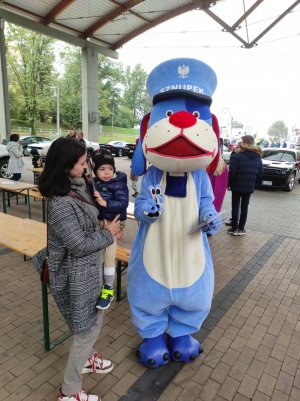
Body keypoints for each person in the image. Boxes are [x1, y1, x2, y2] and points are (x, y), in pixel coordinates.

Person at [37, 137, 121, 401]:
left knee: (94, 321)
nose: (88, 167)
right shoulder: (61, 203)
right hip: (75, 275)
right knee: (86, 331)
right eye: (83, 163)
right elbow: (78, 245)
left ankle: (88, 359)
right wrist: (109, 234)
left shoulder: (80, 184)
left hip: (89, 270)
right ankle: (69, 391)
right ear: (65, 166)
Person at [92, 150, 129, 309]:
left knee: (109, 253)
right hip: (98, 222)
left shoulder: (119, 183)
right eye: (102, 169)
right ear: (95, 171)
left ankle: (108, 287)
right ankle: (96, 283)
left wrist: (105, 204)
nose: (107, 172)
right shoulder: (93, 182)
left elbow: (123, 204)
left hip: (112, 221)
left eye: (110, 168)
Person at [227, 135, 263, 236]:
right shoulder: (257, 157)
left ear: (244, 143)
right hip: (249, 187)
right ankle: (241, 229)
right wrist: (252, 182)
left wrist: (229, 184)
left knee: (235, 207)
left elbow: (232, 173)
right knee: (244, 207)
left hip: (236, 186)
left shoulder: (237, 156)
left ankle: (234, 228)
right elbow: (260, 173)